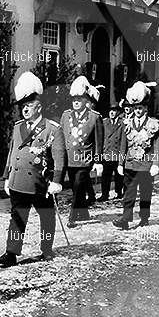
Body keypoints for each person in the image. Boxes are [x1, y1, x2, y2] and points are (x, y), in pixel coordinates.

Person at [0, 72, 65, 268]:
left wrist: (57, 181)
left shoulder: (52, 129)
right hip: (19, 182)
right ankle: (11, 253)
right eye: (22, 105)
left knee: (46, 217)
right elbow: (12, 153)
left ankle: (47, 249)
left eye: (29, 105)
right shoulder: (18, 128)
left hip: (41, 183)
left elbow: (59, 157)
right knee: (17, 218)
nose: (25, 109)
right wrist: (7, 177)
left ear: (39, 106)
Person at [112, 81, 159, 230]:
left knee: (145, 193)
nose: (138, 111)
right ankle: (126, 218)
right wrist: (120, 164)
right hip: (130, 164)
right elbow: (123, 145)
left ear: (145, 108)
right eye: (135, 108)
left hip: (146, 165)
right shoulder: (126, 123)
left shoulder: (154, 124)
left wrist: (156, 164)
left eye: (140, 108)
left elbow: (157, 146)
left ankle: (144, 217)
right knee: (129, 193)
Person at [60, 76, 104, 228]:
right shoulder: (65, 116)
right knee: (75, 186)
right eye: (74, 99)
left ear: (86, 100)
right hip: (69, 159)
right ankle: (84, 212)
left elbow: (99, 141)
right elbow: (60, 136)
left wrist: (98, 161)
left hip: (85, 158)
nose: (76, 102)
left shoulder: (94, 117)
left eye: (80, 99)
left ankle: (72, 216)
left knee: (78, 186)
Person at [99, 103, 124, 201]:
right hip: (107, 154)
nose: (112, 113)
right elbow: (101, 139)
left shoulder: (122, 124)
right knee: (105, 176)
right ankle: (105, 194)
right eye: (110, 111)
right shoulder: (104, 122)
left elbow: (122, 142)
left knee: (119, 176)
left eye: (114, 111)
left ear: (118, 112)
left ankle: (119, 192)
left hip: (117, 154)